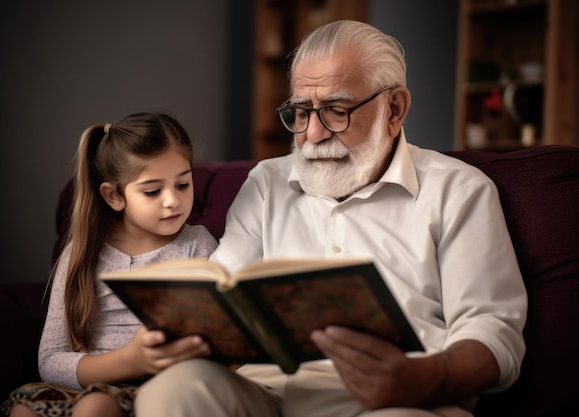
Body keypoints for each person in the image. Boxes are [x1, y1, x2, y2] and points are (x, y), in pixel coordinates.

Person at [134, 20, 527, 417]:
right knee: (174, 391)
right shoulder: (266, 183)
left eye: (337, 111)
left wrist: (422, 378)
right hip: (269, 394)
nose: (315, 133)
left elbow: (492, 330)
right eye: (302, 112)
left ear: (394, 108)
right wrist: (188, 332)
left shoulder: (458, 190)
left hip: (395, 401)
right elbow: (225, 293)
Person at [1, 112, 218, 417]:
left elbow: (219, 339)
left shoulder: (198, 246)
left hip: (155, 389)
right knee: (24, 410)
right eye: (153, 191)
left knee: (96, 406)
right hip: (85, 382)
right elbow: (50, 361)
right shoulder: (83, 252)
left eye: (182, 184)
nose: (173, 200)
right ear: (115, 196)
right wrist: (130, 359)